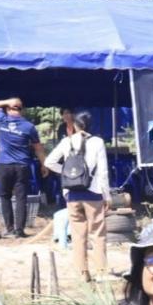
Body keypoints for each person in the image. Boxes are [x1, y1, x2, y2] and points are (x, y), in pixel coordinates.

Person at [44, 111, 111, 282]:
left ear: (75, 125)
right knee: (97, 233)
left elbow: (49, 162)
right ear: (90, 125)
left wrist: (66, 173)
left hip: (72, 194)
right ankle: (101, 271)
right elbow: (102, 171)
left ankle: (82, 273)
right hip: (93, 192)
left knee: (77, 234)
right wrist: (107, 195)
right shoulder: (97, 142)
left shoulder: (66, 141)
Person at [0, 97, 46, 238]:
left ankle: (9, 229)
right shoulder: (29, 126)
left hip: (5, 165)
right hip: (22, 165)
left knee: (5, 196)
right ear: (22, 109)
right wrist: (44, 164)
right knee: (21, 198)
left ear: (8, 108)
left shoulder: (2, 119)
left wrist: (7, 102)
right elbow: (38, 148)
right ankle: (19, 230)